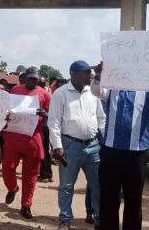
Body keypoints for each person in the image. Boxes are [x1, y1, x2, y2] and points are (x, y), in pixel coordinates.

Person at [92, 62, 149, 230]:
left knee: (134, 199)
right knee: (108, 197)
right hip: (110, 151)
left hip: (136, 154)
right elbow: (96, 91)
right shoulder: (112, 87)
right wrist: (98, 75)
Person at [48, 60, 105, 230]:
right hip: (70, 146)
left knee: (97, 184)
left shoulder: (92, 93)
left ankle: (99, 218)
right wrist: (57, 146)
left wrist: (105, 138)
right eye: (85, 73)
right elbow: (54, 122)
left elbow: (101, 117)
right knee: (66, 185)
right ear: (73, 75)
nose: (89, 76)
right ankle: (65, 220)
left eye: (90, 73)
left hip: (94, 146)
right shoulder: (61, 93)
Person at [2, 66, 51, 219]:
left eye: (35, 79)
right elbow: (7, 108)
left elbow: (52, 114)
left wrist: (45, 114)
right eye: (30, 78)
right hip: (14, 136)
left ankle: (26, 205)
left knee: (30, 175)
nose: (33, 81)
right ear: (25, 78)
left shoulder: (45, 95)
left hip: (33, 139)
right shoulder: (16, 90)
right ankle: (13, 188)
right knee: (7, 168)